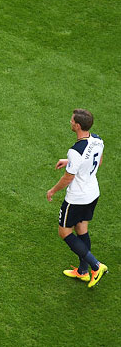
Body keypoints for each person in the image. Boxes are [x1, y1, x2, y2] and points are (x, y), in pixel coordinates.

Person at [47, 109, 107, 287]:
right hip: (92, 193)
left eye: (72, 121)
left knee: (65, 232)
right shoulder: (97, 140)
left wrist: (52, 190)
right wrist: (70, 162)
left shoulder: (75, 151)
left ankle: (96, 266)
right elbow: (98, 161)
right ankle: (83, 271)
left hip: (76, 198)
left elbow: (68, 178)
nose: (70, 122)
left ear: (78, 125)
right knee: (82, 230)